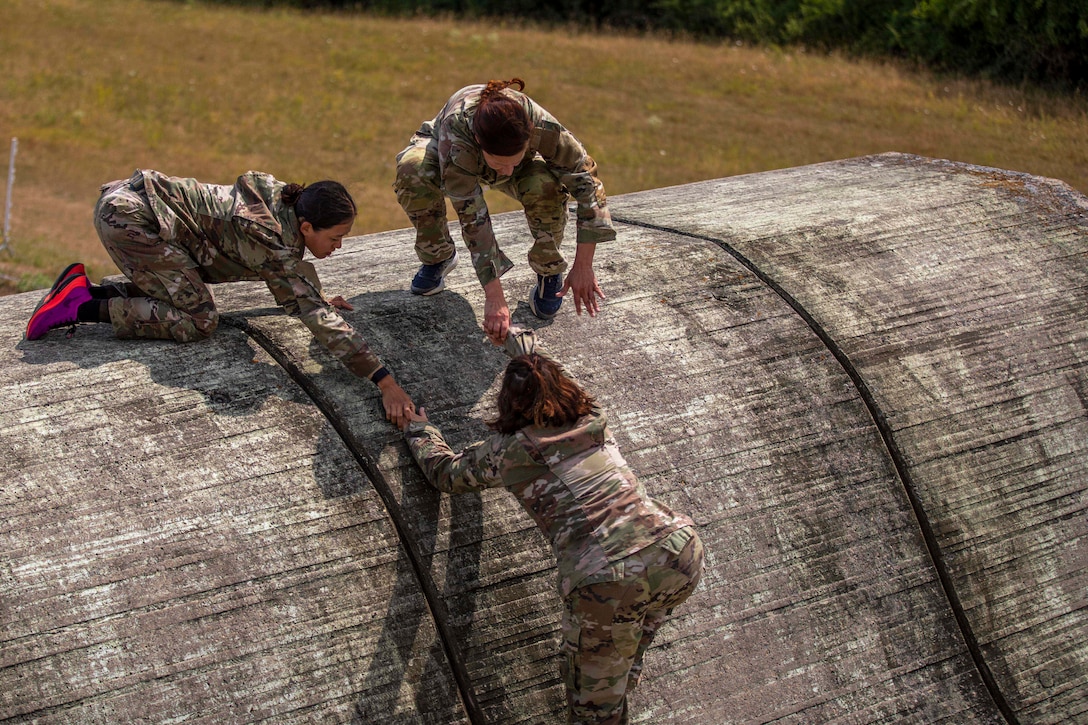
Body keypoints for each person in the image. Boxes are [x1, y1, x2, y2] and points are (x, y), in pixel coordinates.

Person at [400, 327, 704, 724]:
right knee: (623, 647)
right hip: (679, 550)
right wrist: (515, 341)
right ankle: (614, 680)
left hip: (610, 575)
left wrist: (419, 430)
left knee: (593, 707)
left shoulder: (513, 452)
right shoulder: (591, 414)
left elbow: (446, 474)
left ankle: (606, 690)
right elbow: (547, 366)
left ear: (509, 402)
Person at [25, 169, 415, 426]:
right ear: (308, 226)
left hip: (132, 204)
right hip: (132, 221)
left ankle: (86, 291)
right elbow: (305, 304)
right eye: (335, 238)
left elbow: (294, 284)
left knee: (184, 291)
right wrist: (384, 381)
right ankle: (82, 306)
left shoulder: (284, 202)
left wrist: (315, 295)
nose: (340, 246)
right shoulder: (273, 237)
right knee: (199, 319)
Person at [394, 78, 616, 344]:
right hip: (446, 151)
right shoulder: (458, 138)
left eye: (513, 162)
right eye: (500, 164)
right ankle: (438, 255)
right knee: (413, 169)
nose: (506, 172)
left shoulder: (539, 126)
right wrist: (494, 297)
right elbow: (472, 218)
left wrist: (583, 266)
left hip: (508, 153)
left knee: (545, 184)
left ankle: (549, 268)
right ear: (479, 141)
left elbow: (587, 182)